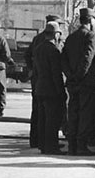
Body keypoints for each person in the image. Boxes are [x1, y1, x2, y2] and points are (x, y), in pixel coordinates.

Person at [63, 7, 95, 156]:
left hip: (73, 82)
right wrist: (79, 76)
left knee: (73, 113)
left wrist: (70, 75)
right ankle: (81, 145)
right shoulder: (91, 36)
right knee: (85, 114)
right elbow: (87, 58)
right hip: (85, 82)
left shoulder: (71, 37)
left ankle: (72, 145)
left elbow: (64, 59)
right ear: (90, 20)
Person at [25, 14, 65, 150]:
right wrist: (61, 91)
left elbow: (32, 64)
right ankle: (50, 145)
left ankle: (41, 142)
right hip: (51, 88)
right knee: (51, 118)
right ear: (55, 35)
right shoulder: (53, 50)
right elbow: (55, 73)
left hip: (39, 86)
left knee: (40, 117)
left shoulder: (38, 46)